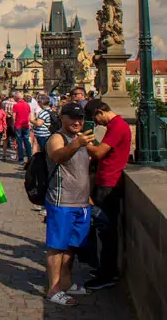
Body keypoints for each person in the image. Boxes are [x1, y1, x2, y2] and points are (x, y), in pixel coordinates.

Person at [44, 102, 96, 306]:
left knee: (71, 246)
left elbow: (96, 156)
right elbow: (58, 156)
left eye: (80, 118)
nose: (77, 122)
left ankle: (65, 282)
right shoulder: (58, 138)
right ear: (62, 118)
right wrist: (77, 144)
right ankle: (53, 289)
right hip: (61, 200)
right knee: (57, 246)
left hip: (81, 201)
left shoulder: (80, 138)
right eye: (72, 118)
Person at [84, 100, 131, 290]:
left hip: (110, 185)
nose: (96, 123)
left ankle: (108, 274)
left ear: (100, 112)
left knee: (107, 231)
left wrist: (82, 142)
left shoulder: (118, 126)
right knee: (103, 229)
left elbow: (100, 153)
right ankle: (104, 269)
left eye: (95, 118)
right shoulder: (114, 125)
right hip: (105, 182)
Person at [12, 91, 32, 166]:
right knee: (27, 141)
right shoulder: (27, 105)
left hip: (18, 125)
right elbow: (29, 116)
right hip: (26, 125)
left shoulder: (16, 105)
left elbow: (14, 117)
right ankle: (30, 157)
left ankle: (21, 158)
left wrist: (13, 125)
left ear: (17, 97)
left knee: (19, 141)